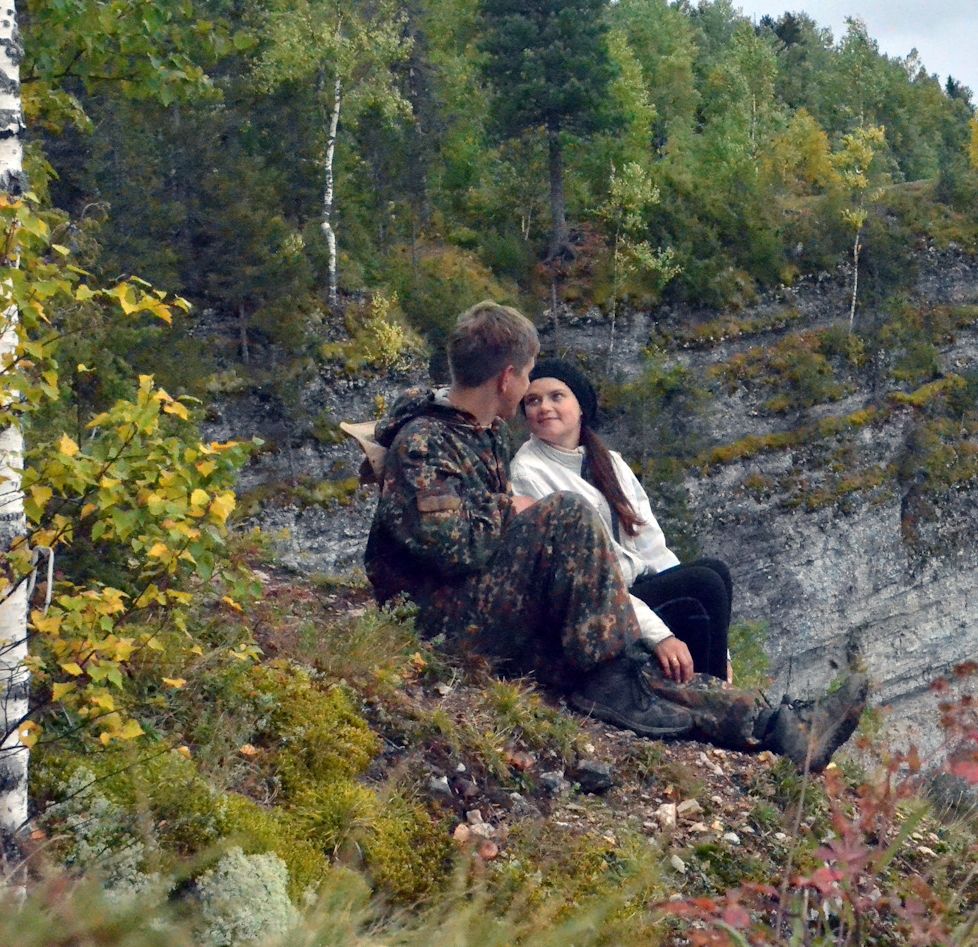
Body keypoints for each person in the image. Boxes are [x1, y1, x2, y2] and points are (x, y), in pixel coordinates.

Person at [363, 301, 864, 770]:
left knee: (637, 668)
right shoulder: (426, 442)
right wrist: (510, 508)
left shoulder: (480, 430)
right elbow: (447, 547)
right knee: (570, 521)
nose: (534, 390)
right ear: (508, 377)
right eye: (531, 377)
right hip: (439, 621)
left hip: (484, 603)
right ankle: (610, 677)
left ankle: (784, 728)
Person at [509, 359, 732, 687]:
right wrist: (658, 635)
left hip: (630, 592)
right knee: (703, 585)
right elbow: (586, 576)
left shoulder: (608, 462)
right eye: (533, 400)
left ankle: (715, 692)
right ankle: (713, 705)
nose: (544, 407)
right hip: (592, 603)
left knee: (715, 572)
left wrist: (723, 651)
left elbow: (652, 546)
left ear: (580, 406)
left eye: (557, 396)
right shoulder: (528, 472)